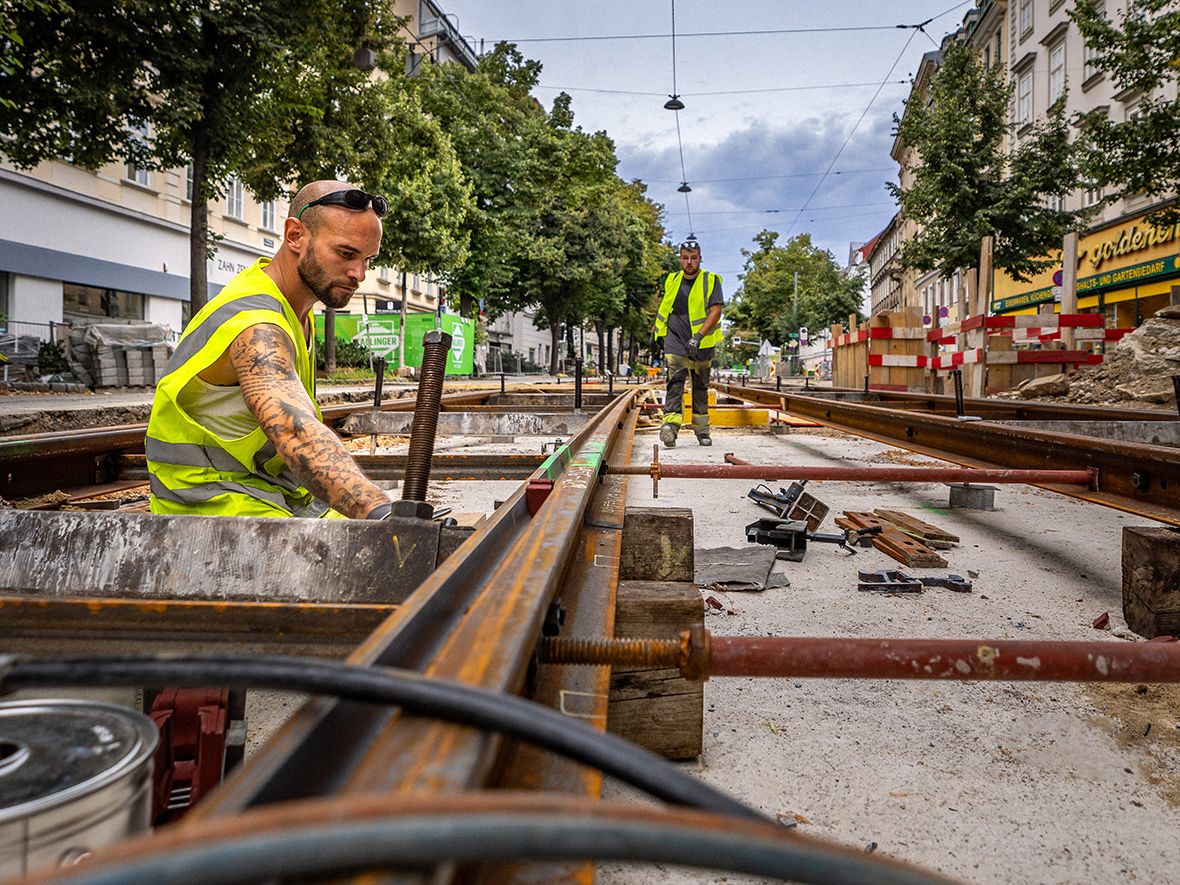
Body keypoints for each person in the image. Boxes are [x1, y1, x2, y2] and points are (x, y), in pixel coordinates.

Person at [146, 181, 395, 520]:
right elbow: (295, 432)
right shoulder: (256, 324)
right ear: (295, 235)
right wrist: (377, 510)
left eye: (367, 259)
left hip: (269, 492)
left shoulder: (294, 311)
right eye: (346, 253)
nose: (359, 274)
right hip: (211, 503)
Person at [652, 239, 723, 447]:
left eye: (693, 258)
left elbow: (716, 311)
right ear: (680, 260)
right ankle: (670, 428)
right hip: (675, 341)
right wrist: (656, 332)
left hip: (702, 344)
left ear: (700, 259)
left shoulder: (711, 280)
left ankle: (702, 431)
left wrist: (699, 337)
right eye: (685, 258)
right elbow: (666, 307)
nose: (689, 262)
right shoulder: (672, 279)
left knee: (700, 387)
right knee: (675, 383)